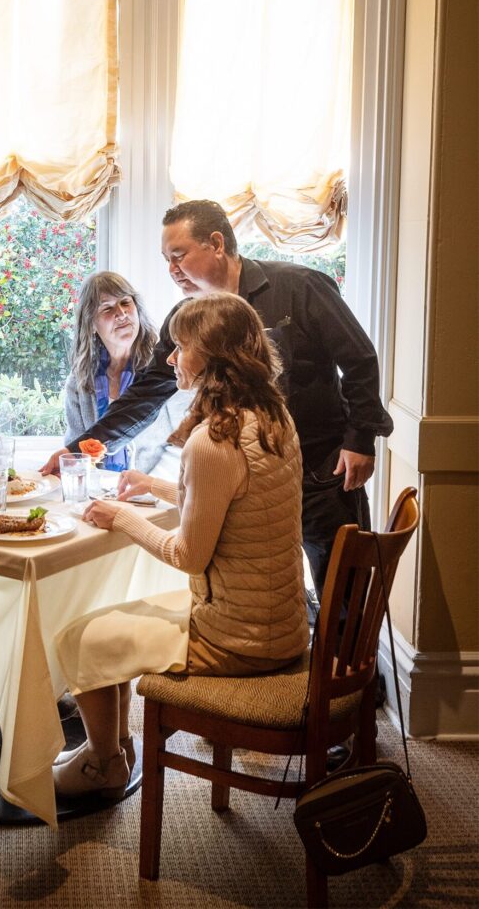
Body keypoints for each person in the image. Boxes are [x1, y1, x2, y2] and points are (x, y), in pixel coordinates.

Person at [44, 199, 393, 601]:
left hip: (320, 471)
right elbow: (145, 394)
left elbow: (359, 358)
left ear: (216, 244)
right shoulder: (188, 316)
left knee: (343, 599)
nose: (172, 271)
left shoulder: (300, 286)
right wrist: (80, 450)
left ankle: (353, 667)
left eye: (179, 256)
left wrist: (360, 439)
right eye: (166, 261)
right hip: (241, 485)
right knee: (266, 595)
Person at [52, 292, 308, 801]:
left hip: (238, 640)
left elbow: (188, 555)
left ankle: (104, 763)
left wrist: (122, 516)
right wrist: (152, 485)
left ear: (213, 356)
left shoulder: (212, 440)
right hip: (282, 623)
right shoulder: (272, 416)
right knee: (110, 619)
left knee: (80, 637)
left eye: (180, 347)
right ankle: (114, 747)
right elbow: (233, 503)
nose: (170, 359)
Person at [63, 271, 170, 472]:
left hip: (151, 491)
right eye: (107, 308)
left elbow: (172, 449)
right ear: (92, 324)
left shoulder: (162, 370)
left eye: (125, 303)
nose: (121, 314)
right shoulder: (79, 381)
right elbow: (75, 453)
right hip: (98, 491)